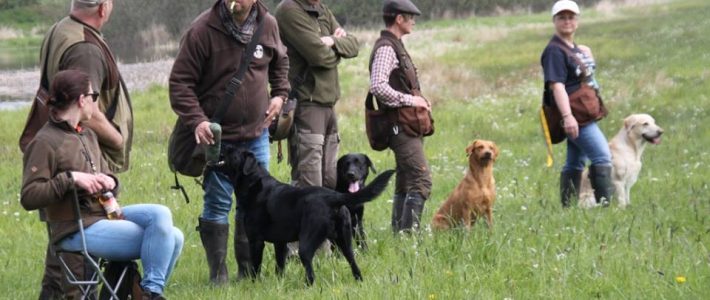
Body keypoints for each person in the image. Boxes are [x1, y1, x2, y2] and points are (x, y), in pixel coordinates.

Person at [21, 69, 183, 300]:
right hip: (74, 228)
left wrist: (110, 181)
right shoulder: (45, 142)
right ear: (81, 100)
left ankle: (151, 292)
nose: (95, 104)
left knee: (164, 220)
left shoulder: (87, 135)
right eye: (93, 97)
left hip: (104, 216)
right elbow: (29, 196)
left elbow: (106, 174)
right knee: (166, 239)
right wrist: (71, 179)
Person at [169, 0, 290, 284]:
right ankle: (218, 274)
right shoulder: (202, 30)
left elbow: (281, 63)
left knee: (255, 202)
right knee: (218, 201)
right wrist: (198, 120)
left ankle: (248, 272)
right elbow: (180, 83)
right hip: (219, 137)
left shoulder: (268, 24)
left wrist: (279, 95)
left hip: (257, 133)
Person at [27, 0, 134, 298]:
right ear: (103, 7)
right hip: (73, 157)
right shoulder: (85, 47)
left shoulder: (61, 29)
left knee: (59, 259)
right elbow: (85, 105)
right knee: (77, 266)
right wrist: (116, 138)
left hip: (69, 153)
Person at [275, 0, 360, 190]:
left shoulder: (321, 9)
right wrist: (338, 48)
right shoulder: (289, 10)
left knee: (330, 181)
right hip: (307, 105)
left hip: (329, 105)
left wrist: (332, 41)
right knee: (310, 185)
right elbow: (319, 56)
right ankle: (298, 221)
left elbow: (354, 45)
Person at [368, 0, 433, 233]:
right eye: (410, 16)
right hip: (400, 126)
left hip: (406, 124)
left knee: (405, 182)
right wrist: (410, 100)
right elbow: (377, 86)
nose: (413, 20)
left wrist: (420, 99)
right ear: (398, 19)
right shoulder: (387, 47)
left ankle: (399, 238)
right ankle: (409, 239)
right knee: (421, 179)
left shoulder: (395, 44)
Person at [541, 0, 613, 207]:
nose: (567, 21)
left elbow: (587, 77)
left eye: (571, 17)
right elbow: (557, 86)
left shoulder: (575, 48)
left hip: (583, 111)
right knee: (602, 156)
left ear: (577, 21)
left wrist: (584, 53)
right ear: (554, 21)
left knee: (575, 161)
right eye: (561, 17)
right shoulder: (554, 51)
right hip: (576, 114)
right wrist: (567, 117)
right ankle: (605, 208)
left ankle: (568, 208)